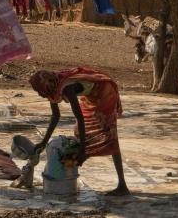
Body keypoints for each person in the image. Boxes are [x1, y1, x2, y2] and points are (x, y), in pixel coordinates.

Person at [29, 67, 130, 196]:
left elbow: (80, 118)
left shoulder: (66, 88)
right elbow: (55, 116)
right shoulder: (53, 87)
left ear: (46, 84)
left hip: (104, 91)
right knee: (80, 133)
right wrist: (43, 143)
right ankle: (73, 165)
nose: (40, 94)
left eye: (39, 90)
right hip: (90, 94)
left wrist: (83, 150)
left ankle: (122, 186)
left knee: (109, 134)